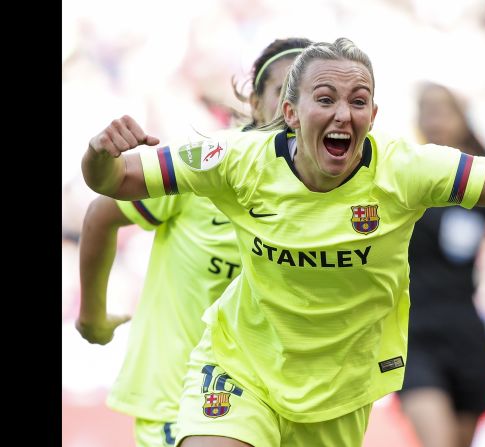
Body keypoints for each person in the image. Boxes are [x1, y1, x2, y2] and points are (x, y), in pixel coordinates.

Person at [80, 38, 485, 447]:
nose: (343, 113)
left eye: (359, 101)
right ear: (292, 113)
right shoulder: (235, 160)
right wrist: (98, 154)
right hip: (240, 369)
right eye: (324, 98)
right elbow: (114, 185)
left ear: (374, 118)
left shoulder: (407, 170)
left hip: (338, 389)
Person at [75, 37, 312, 447]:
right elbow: (101, 212)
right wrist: (92, 317)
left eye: (314, 96)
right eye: (284, 93)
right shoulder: (210, 160)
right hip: (178, 403)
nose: (298, 109)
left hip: (270, 409)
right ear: (255, 104)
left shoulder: (333, 188)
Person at [398, 82, 485, 447]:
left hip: (465, 332)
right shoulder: (405, 174)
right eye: (426, 110)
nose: (434, 119)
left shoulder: (481, 182)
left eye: (443, 110)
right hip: (413, 334)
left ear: (461, 118)